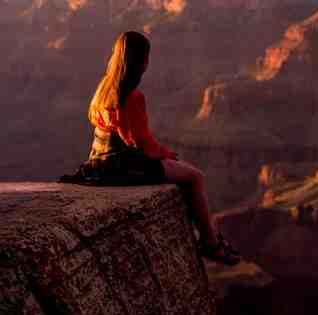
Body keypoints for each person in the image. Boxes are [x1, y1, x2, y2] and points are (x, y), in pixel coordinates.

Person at [69, 30, 240, 265]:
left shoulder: (103, 90)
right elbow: (141, 142)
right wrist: (167, 155)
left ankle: (210, 234)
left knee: (181, 173)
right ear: (142, 61)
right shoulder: (132, 96)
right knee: (194, 177)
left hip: (97, 164)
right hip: (121, 167)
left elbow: (117, 132)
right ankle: (211, 243)